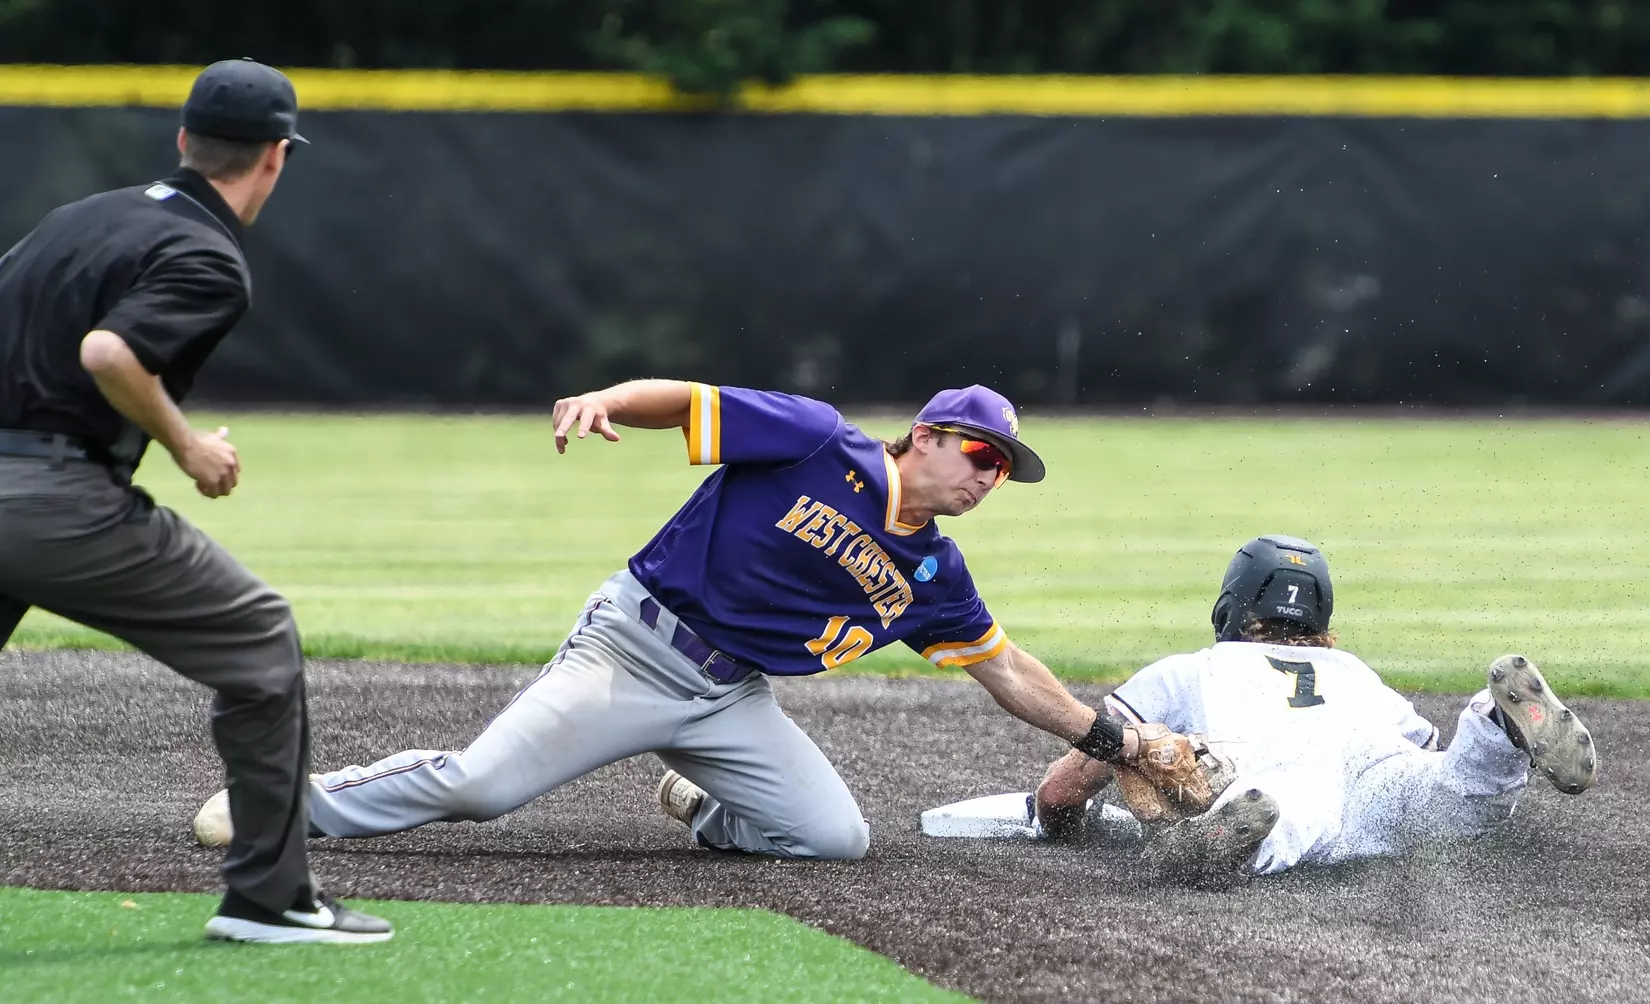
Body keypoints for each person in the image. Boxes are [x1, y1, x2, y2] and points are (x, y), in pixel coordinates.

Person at [194, 380, 1195, 857]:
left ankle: (701, 800)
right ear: (928, 435)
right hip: (635, 646)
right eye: (979, 455)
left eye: (1002, 471)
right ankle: (285, 798)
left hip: (728, 698)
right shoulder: (818, 445)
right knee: (484, 787)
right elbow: (687, 398)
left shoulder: (933, 569)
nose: (989, 478)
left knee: (831, 838)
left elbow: (1007, 669)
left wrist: (1118, 735)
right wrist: (603, 402)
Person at [0, 60, 390, 943]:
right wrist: (188, 446)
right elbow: (109, 354)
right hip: (54, 497)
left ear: (184, 140)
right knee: (259, 637)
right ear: (277, 158)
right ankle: (272, 899)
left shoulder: (82, 217)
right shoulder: (207, 255)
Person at [1032, 534, 1598, 883]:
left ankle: (1219, 843)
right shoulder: (1353, 671)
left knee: (1284, 822)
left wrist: (1062, 819)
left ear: (1230, 607)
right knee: (1445, 793)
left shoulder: (1192, 669)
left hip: (1289, 776)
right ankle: (1496, 728)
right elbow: (1425, 747)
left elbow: (1062, 794)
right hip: (1380, 762)